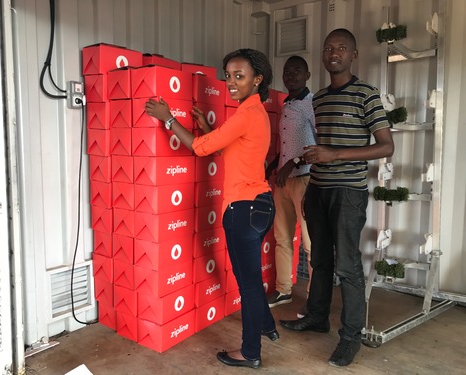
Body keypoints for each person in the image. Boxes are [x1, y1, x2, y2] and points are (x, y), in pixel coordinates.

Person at [145, 48, 277, 370]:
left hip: (243, 209)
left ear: (257, 79)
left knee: (247, 284)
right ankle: (268, 326)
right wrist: (205, 126)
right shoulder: (253, 112)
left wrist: (168, 120)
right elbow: (228, 151)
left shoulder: (246, 114)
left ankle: (250, 353)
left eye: (239, 76)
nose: (230, 83)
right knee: (252, 275)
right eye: (228, 75)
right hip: (261, 204)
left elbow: (201, 149)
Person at [280, 28, 394, 367]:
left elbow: (386, 145)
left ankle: (350, 338)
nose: (334, 52)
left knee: (347, 266)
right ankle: (316, 317)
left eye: (342, 48)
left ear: (353, 55)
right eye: (329, 47)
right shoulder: (319, 99)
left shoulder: (366, 94)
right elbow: (318, 150)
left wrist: (335, 156)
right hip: (318, 190)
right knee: (320, 262)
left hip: (348, 193)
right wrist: (311, 181)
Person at [265, 56, 316, 318]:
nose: (291, 74)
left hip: (304, 180)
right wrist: (274, 164)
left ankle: (315, 300)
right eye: (287, 71)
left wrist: (294, 162)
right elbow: (288, 146)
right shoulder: (287, 104)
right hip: (284, 181)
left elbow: (321, 147)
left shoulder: (310, 104)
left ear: (307, 74)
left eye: (297, 70)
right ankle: (284, 289)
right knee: (282, 238)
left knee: (310, 243)